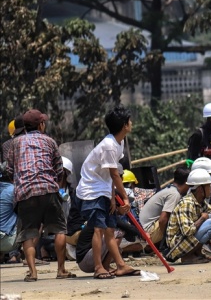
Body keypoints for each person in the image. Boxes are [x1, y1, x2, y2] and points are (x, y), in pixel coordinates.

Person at [6, 109, 74, 281]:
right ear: (40, 125)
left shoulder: (15, 143)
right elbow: (59, 169)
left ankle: (33, 273)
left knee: (28, 233)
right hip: (48, 190)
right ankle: (61, 270)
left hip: (25, 193)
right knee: (59, 229)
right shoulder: (50, 141)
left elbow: (9, 170)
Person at [76, 105, 140, 278]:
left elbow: (110, 176)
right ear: (124, 125)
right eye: (129, 121)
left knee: (110, 230)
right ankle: (98, 268)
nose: (131, 123)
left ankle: (120, 265)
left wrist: (113, 198)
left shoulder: (118, 144)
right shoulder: (109, 145)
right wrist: (125, 198)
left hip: (103, 190)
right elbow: (114, 174)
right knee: (99, 229)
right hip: (91, 191)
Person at [165, 169, 211, 264]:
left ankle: (196, 253)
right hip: (177, 245)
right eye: (208, 186)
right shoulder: (187, 203)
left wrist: (210, 216)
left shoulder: (201, 203)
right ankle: (187, 257)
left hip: (185, 241)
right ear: (200, 189)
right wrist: (203, 218)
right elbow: (187, 231)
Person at [139, 167, 190, 245]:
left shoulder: (170, 189)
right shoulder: (174, 194)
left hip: (142, 229)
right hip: (147, 232)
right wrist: (166, 241)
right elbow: (163, 220)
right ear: (187, 182)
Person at [0, 116, 25, 264]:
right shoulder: (26, 140)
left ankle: (5, 255)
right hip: (21, 184)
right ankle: (15, 254)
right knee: (21, 217)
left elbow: (6, 166)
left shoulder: (6, 144)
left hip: (11, 183)